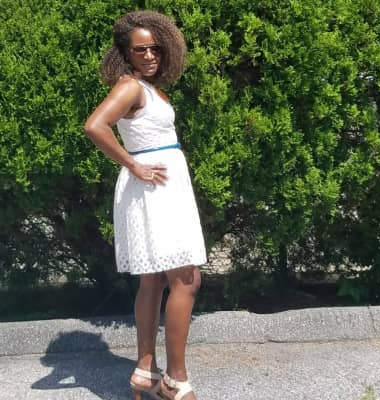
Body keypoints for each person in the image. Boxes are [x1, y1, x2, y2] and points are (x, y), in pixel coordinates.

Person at [84, 10, 207, 400]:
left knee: (153, 280)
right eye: (141, 50)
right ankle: (175, 380)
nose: (150, 55)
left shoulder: (144, 87)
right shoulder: (130, 87)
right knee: (186, 279)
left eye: (155, 47)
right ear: (126, 53)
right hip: (154, 188)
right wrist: (133, 164)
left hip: (159, 187)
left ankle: (144, 371)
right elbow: (95, 126)